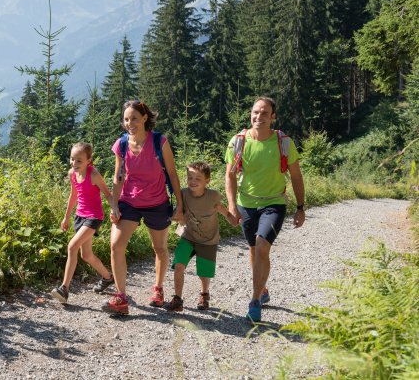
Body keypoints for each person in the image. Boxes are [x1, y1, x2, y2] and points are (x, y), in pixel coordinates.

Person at [225, 97, 306, 322]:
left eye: (264, 113)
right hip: (246, 203)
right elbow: (230, 176)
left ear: (273, 117)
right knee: (253, 250)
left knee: (262, 246)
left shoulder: (284, 143)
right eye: (255, 112)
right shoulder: (238, 141)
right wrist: (232, 205)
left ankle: (254, 300)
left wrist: (300, 207)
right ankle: (263, 288)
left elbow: (296, 177)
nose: (258, 117)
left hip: (274, 203)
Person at [103, 100, 183, 316]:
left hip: (157, 202)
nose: (130, 123)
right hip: (129, 202)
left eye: (134, 118)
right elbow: (118, 176)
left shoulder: (159, 141)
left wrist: (180, 206)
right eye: (126, 119)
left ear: (145, 118)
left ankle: (157, 288)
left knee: (159, 248)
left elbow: (173, 175)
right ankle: (121, 297)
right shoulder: (121, 145)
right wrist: (114, 205)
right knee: (116, 245)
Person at [164, 161, 239, 312]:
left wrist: (232, 219)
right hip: (188, 236)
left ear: (207, 181)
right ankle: (177, 299)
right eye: (190, 177)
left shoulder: (213, 196)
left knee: (203, 272)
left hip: (208, 240)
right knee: (179, 265)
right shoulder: (183, 194)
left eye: (197, 179)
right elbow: (178, 209)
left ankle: (204, 294)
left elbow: (222, 210)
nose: (193, 181)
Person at [51, 142, 115, 304]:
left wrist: (114, 209)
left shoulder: (93, 175)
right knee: (86, 255)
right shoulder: (72, 173)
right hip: (79, 217)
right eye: (72, 159)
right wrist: (66, 217)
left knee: (72, 246)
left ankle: (64, 289)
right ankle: (108, 277)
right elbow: (73, 196)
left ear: (89, 161)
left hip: (94, 217)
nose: (74, 163)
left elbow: (108, 194)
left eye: (79, 160)